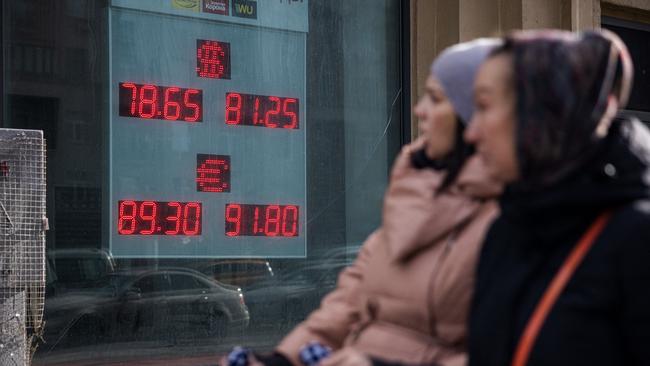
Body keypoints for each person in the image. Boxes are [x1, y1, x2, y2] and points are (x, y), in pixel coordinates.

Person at [244, 39, 503, 366]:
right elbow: (347, 304)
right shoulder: (413, 200)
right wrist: (282, 358)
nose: (419, 110)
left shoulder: (510, 218)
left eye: (436, 99)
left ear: (476, 116)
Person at [464, 29, 650, 366]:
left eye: (484, 106)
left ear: (544, 112)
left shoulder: (636, 238)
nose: (471, 132)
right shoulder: (505, 229)